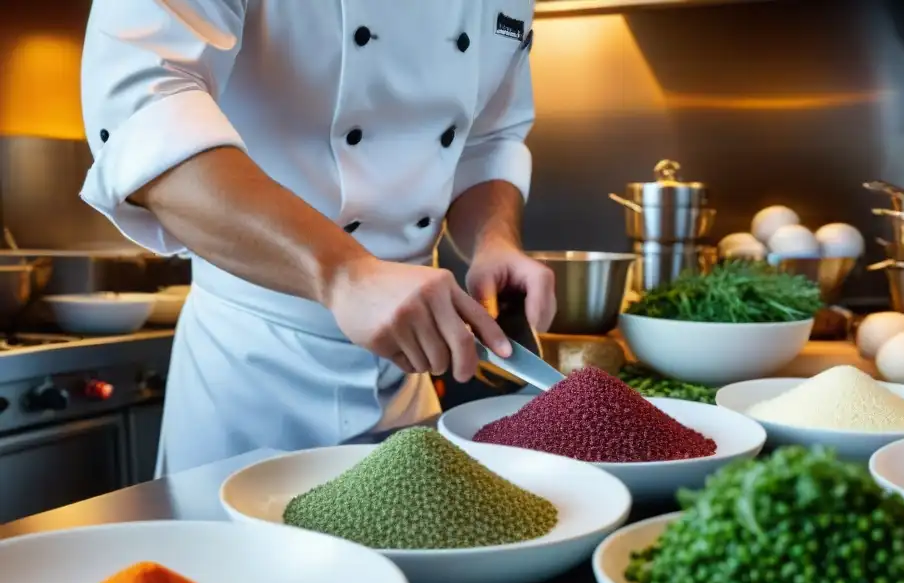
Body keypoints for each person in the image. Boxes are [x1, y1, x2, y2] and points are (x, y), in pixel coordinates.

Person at [78, 1, 556, 477]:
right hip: (252, 379)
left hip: (405, 385)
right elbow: (140, 111)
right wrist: (346, 274)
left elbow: (487, 141)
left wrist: (495, 240)